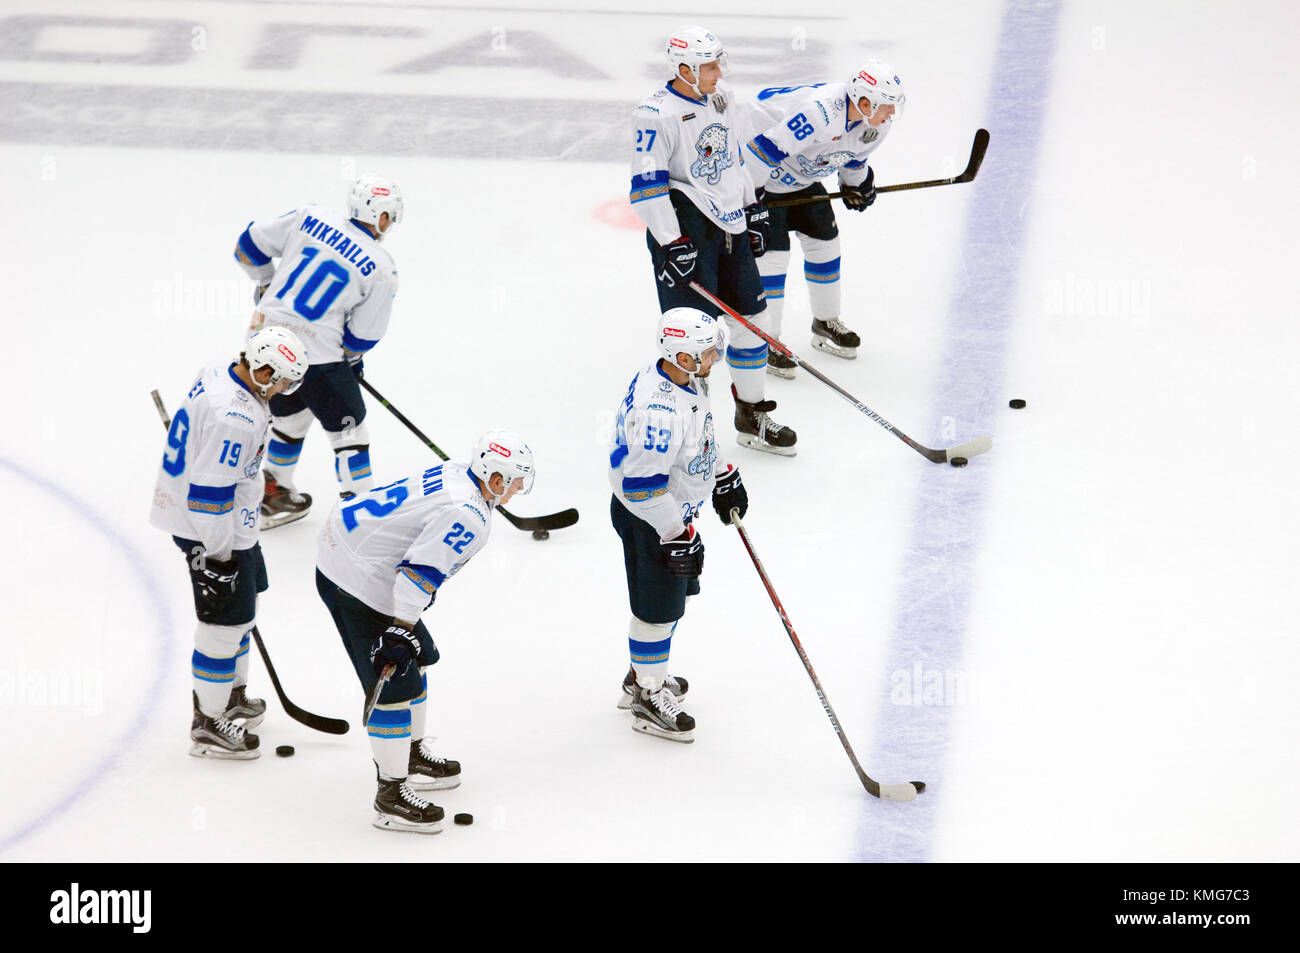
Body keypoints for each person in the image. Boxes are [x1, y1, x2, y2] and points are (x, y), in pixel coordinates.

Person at [315, 430, 536, 833]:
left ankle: (410, 753)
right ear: (496, 479)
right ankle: (390, 794)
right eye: (516, 480)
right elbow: (417, 575)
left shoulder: (457, 473)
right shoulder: (469, 515)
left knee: (421, 657)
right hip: (354, 578)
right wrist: (400, 631)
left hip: (354, 550)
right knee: (395, 682)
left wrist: (407, 632)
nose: (520, 488)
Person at [629, 25, 796, 456]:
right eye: (709, 65)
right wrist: (670, 241)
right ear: (683, 69)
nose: (718, 71)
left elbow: (731, 158)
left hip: (729, 226)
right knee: (694, 338)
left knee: (752, 320)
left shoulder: (723, 97)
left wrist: (751, 205)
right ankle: (691, 435)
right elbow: (647, 186)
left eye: (719, 62)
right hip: (688, 229)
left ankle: (751, 413)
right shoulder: (655, 113)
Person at [149, 327, 309, 759]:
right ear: (261, 369)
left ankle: (231, 697)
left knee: (244, 607)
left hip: (233, 521)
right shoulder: (235, 419)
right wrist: (219, 559)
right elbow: (208, 498)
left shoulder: (224, 368)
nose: (286, 390)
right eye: (283, 381)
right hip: (210, 529)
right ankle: (208, 722)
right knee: (222, 623)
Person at [608, 308, 750, 742]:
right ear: (684, 357)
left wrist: (721, 473)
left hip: (671, 515)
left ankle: (643, 675)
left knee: (669, 605)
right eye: (710, 352)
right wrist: (677, 535)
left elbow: (701, 432)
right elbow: (641, 488)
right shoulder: (661, 413)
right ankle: (647, 697)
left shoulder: (680, 375)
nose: (717, 356)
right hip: (652, 520)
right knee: (656, 611)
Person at [233, 173, 403, 527]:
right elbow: (362, 337)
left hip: (264, 345)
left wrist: (266, 282)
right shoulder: (382, 268)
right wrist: (352, 362)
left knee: (289, 420)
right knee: (349, 432)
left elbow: (246, 247)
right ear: (383, 217)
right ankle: (359, 519)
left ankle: (272, 493)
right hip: (316, 360)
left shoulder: (310, 216)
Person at [744, 60, 905, 377]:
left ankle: (825, 322)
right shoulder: (818, 114)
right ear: (864, 103)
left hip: (803, 176)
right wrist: (751, 203)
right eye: (887, 105)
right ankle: (766, 341)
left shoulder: (877, 124)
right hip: (762, 177)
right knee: (773, 257)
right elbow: (758, 153)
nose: (892, 113)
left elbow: (853, 158)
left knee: (826, 245)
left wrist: (857, 186)